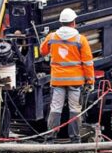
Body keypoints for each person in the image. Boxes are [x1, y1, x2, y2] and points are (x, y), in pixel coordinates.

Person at [40, 8, 94, 141]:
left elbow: (42, 52)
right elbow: (87, 62)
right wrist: (90, 81)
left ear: (61, 22)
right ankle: (75, 138)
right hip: (75, 82)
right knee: (74, 109)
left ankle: (50, 138)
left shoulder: (52, 37)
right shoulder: (80, 39)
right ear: (73, 22)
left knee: (56, 108)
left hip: (58, 80)